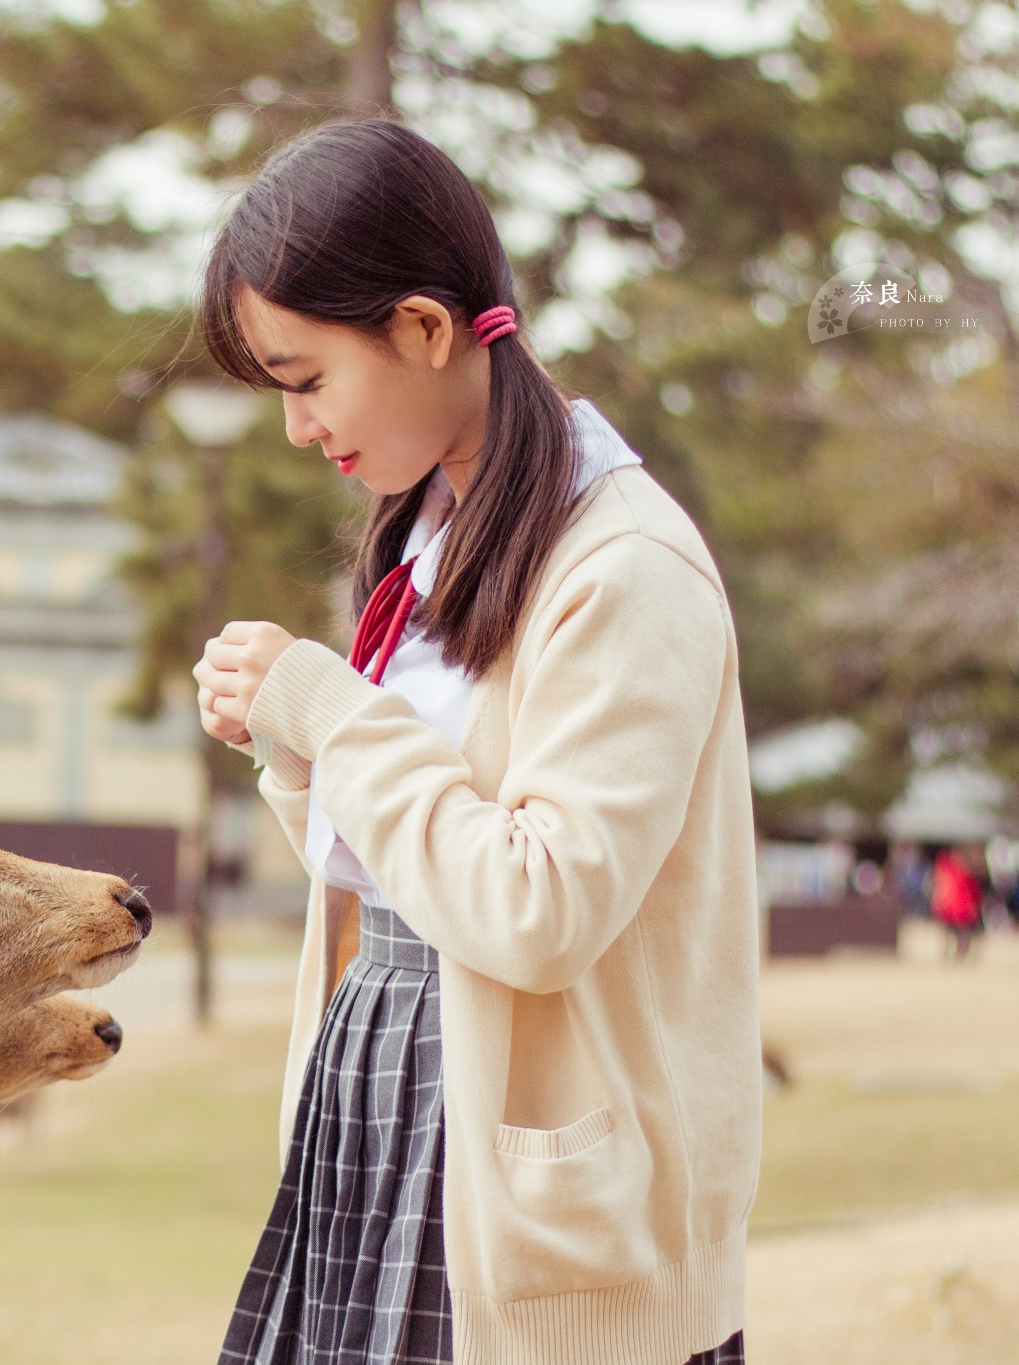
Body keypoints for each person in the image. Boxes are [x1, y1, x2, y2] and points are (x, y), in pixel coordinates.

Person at [190, 119, 756, 1365]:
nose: (296, 428)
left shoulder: (622, 566)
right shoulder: (432, 535)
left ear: (423, 329)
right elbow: (405, 857)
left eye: (304, 379)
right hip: (390, 1104)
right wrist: (293, 752)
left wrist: (328, 710)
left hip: (523, 1177)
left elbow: (537, 906)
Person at [928, 846, 984, 960]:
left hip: (957, 909)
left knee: (958, 933)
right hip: (955, 908)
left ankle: (956, 955)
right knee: (957, 933)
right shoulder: (955, 870)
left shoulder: (951, 869)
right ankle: (955, 955)